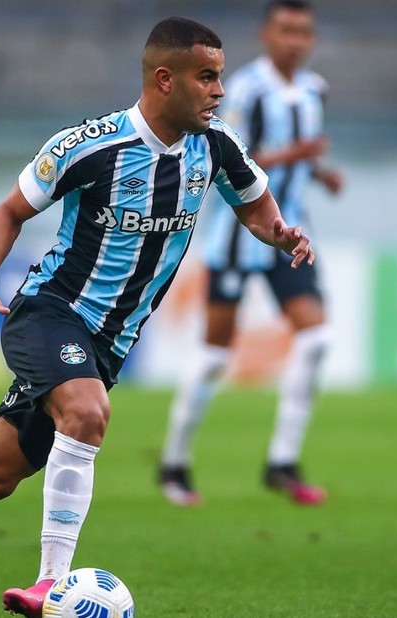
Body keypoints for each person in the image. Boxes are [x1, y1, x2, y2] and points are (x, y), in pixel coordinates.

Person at [0, 16, 314, 618]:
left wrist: (280, 234)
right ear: (165, 80)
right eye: (207, 77)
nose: (220, 90)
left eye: (221, 77)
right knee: (86, 412)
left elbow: (257, 209)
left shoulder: (215, 146)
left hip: (110, 342)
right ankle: (51, 585)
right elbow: (10, 211)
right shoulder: (89, 145)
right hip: (50, 311)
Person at [159, 0, 344, 507]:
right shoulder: (243, 88)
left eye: (303, 31)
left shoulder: (314, 89)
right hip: (242, 237)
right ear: (267, 34)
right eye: (285, 30)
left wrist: (320, 174)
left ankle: (282, 462)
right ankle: (174, 462)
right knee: (216, 354)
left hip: (290, 236)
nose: (295, 40)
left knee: (317, 338)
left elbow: (298, 156)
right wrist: (297, 156)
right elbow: (231, 155)